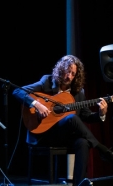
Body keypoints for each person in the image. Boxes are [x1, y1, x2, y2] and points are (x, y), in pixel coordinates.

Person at [12, 55, 113, 186]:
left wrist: (101, 114)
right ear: (61, 69)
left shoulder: (78, 93)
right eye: (67, 71)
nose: (69, 76)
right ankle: (103, 150)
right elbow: (18, 91)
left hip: (64, 136)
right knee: (71, 118)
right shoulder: (47, 81)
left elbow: (87, 116)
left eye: (73, 73)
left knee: (83, 141)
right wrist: (36, 104)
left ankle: (80, 183)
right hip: (43, 134)